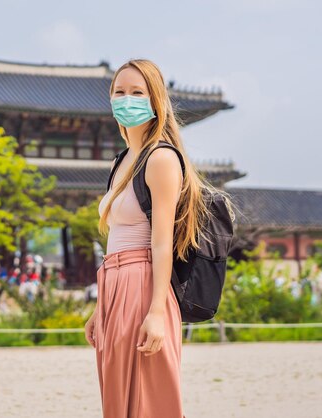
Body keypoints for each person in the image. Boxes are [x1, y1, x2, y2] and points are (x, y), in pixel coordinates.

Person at [83, 59, 213, 418]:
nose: (127, 99)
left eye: (137, 92)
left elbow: (160, 242)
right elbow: (116, 238)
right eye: (119, 92)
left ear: (155, 101)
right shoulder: (120, 161)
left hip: (143, 283)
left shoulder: (161, 159)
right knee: (118, 401)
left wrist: (157, 310)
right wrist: (99, 308)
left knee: (150, 402)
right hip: (113, 283)